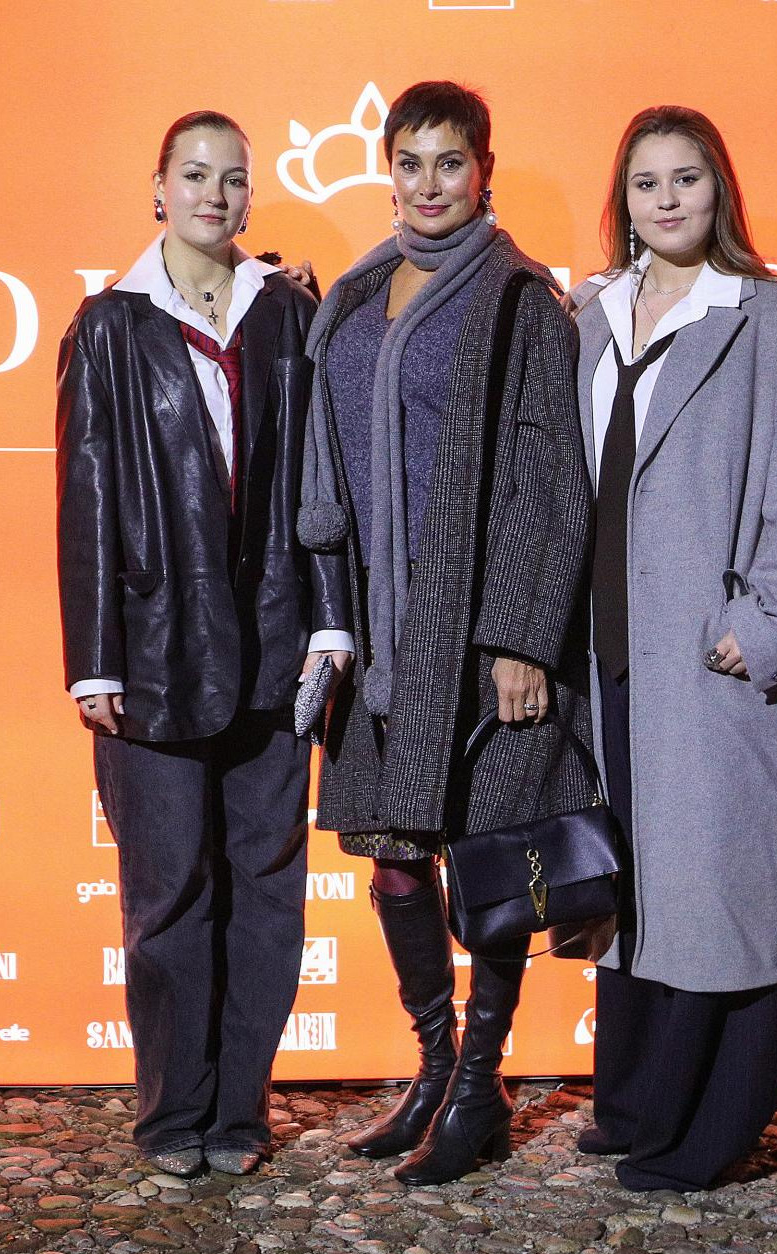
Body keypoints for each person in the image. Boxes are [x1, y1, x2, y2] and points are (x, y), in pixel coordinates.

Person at [297, 81, 594, 1185]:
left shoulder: (521, 302)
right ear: (389, 171)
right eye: (411, 162)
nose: (429, 184)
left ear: (484, 172)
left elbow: (550, 484)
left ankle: (479, 1089)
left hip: (471, 624)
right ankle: (432, 1066)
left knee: (487, 850)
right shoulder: (354, 295)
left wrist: (521, 637)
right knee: (392, 854)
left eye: (450, 162)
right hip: (374, 624)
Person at [56, 110, 351, 1176]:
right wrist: (93, 659)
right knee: (168, 893)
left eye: (231, 179)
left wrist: (330, 620)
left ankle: (240, 1113)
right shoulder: (107, 325)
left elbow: (320, 481)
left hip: (277, 648)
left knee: (268, 892)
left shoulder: (290, 313)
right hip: (153, 655)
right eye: (194, 175)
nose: (213, 195)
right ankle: (172, 1114)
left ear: (249, 196)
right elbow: (85, 494)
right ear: (158, 189)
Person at [569, 105, 777, 1192]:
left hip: (707, 660)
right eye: (645, 182)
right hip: (605, 660)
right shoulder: (589, 315)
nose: (666, 199)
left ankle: (709, 1130)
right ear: (623, 199)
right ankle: (635, 1103)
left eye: (685, 178)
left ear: (717, 188)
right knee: (630, 888)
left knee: (721, 895)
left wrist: (765, 629)